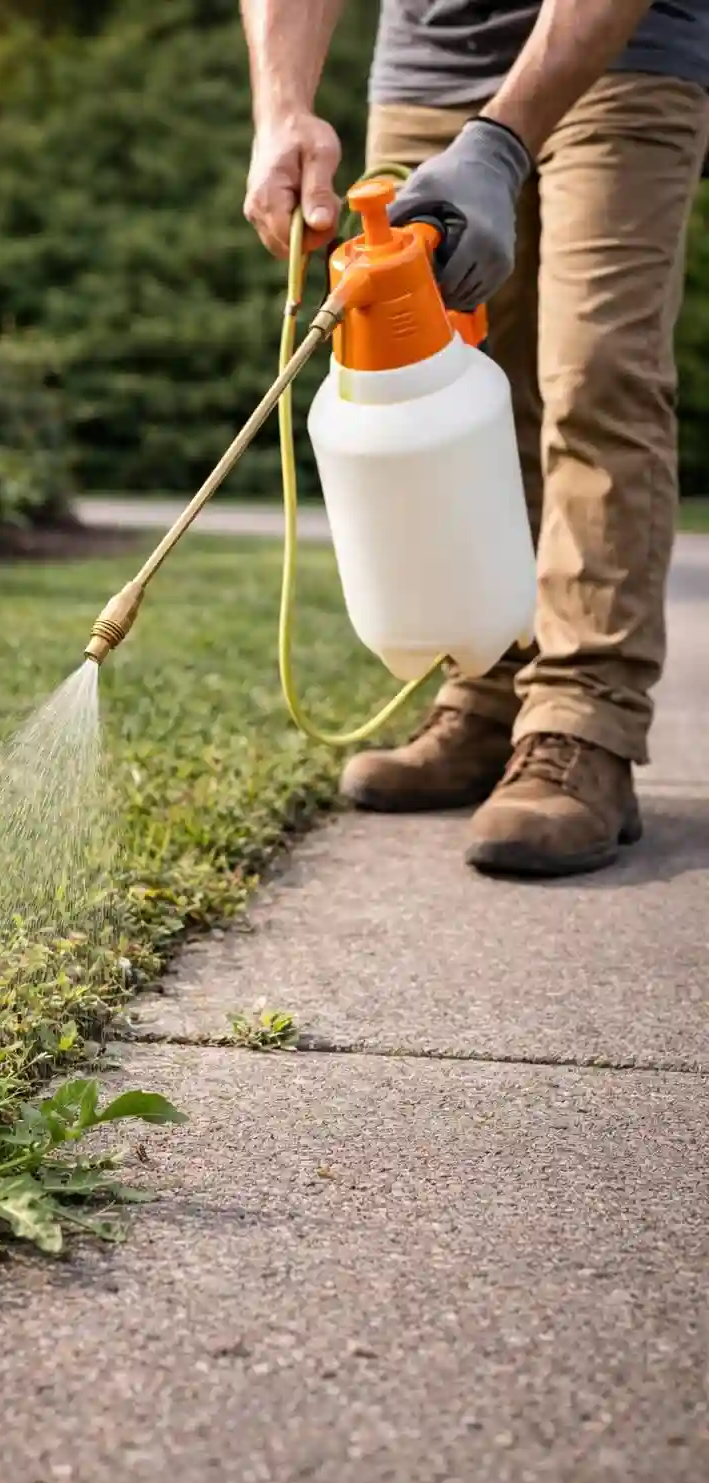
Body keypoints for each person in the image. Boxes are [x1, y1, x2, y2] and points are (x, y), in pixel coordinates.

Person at [240, 0, 709, 878]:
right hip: (426, 65)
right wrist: (282, 108)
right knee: (448, 379)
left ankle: (584, 720)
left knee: (597, 373)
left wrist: (500, 143)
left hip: (624, 55)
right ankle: (487, 685)